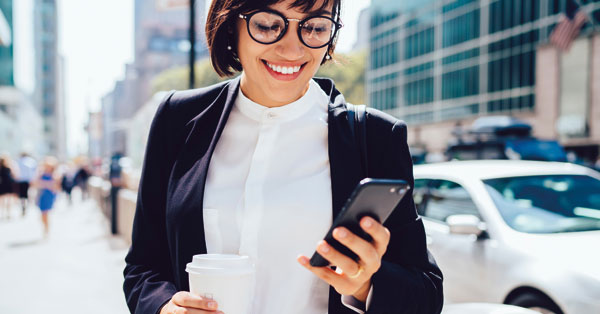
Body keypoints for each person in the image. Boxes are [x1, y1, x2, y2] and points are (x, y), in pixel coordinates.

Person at [123, 0, 443, 313]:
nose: (292, 50)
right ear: (232, 22)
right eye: (267, 25)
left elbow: (427, 294)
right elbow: (143, 268)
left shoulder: (376, 137)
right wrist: (166, 308)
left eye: (316, 26)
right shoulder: (177, 120)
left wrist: (365, 286)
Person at [34, 157, 59, 236]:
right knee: (42, 213)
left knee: (46, 213)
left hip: (49, 196)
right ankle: (45, 227)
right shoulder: (41, 174)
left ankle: (46, 229)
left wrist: (45, 184)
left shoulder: (55, 175)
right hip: (42, 195)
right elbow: (36, 183)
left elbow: (56, 187)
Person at [0, 156, 16, 220]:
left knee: (5, 200)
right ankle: (6, 213)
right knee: (6, 200)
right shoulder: (7, 168)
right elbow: (13, 175)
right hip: (6, 184)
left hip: (4, 184)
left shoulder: (6, 168)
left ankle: (6, 213)